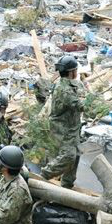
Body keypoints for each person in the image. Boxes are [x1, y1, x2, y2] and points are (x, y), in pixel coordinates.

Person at [43, 56, 85, 188]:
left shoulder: (71, 83)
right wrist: (94, 103)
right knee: (69, 155)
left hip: (72, 126)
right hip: (62, 128)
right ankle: (45, 174)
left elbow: (80, 90)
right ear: (72, 72)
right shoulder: (63, 89)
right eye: (76, 70)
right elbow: (80, 105)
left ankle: (67, 183)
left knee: (76, 154)